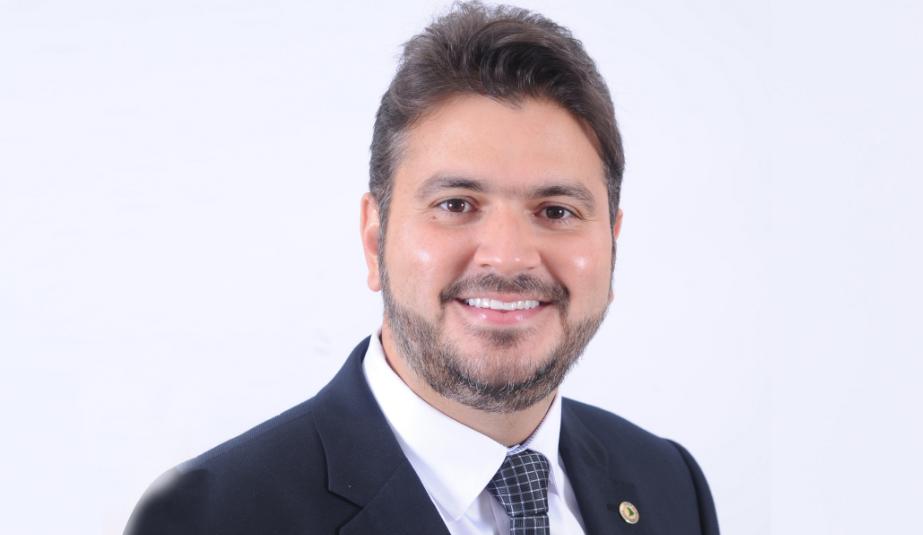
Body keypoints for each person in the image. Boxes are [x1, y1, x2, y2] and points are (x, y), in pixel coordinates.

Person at [125, 2, 719, 534]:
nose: (509, 257)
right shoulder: (209, 518)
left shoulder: (669, 485)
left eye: (556, 210)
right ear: (374, 238)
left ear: (612, 243)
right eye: (456, 205)